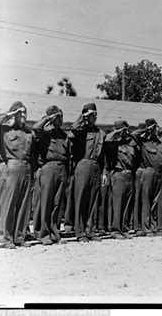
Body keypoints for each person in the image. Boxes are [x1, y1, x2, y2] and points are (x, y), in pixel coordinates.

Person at [32, 105, 71, 245]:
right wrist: (48, 118)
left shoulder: (64, 135)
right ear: (52, 118)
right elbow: (36, 128)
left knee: (57, 204)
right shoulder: (45, 133)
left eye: (61, 116)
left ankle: (55, 234)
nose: (61, 119)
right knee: (46, 203)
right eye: (58, 116)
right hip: (48, 168)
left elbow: (69, 155)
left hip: (62, 168)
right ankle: (44, 235)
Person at [0, 101, 35, 249]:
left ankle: (19, 237)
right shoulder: (5, 129)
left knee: (24, 205)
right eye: (21, 112)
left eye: (25, 112)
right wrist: (10, 115)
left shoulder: (28, 132)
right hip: (12, 165)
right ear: (14, 114)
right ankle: (6, 238)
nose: (24, 115)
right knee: (9, 203)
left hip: (27, 167)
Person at [70, 103, 106, 243]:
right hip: (83, 165)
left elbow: (103, 156)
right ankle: (80, 232)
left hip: (96, 166)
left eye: (95, 114)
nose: (94, 116)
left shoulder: (100, 133)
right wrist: (83, 116)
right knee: (81, 199)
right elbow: (74, 128)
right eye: (91, 114)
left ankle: (90, 230)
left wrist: (103, 172)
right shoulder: (81, 131)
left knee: (93, 200)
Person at [103, 120, 137, 240]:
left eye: (127, 130)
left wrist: (128, 133)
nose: (126, 132)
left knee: (126, 204)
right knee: (117, 204)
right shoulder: (113, 144)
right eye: (124, 130)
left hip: (129, 175)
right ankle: (115, 229)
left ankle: (124, 228)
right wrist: (117, 132)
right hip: (118, 175)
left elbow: (136, 137)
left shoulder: (130, 143)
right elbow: (107, 139)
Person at [134, 118, 162, 237]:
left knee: (155, 201)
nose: (156, 130)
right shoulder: (143, 141)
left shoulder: (159, 142)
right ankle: (145, 227)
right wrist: (146, 129)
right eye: (154, 128)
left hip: (159, 173)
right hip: (148, 172)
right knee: (146, 201)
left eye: (156, 127)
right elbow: (134, 135)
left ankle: (153, 226)